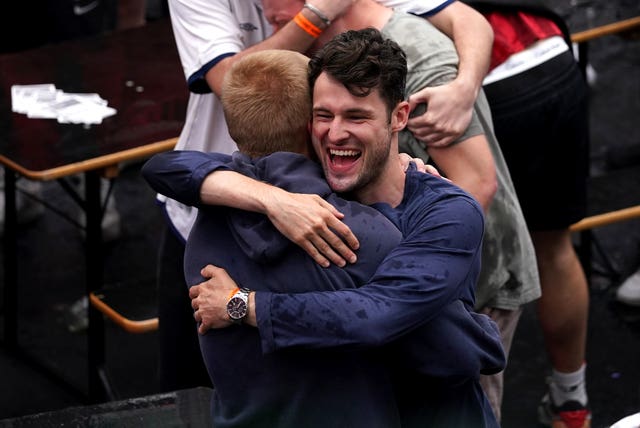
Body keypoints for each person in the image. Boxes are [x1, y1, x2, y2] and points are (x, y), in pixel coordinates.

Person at [144, 31, 505, 427]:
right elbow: (165, 167)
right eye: (323, 115)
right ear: (304, 122)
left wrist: (241, 304)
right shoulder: (293, 201)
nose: (335, 133)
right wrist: (274, 201)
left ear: (399, 116)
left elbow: (381, 317)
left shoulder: (446, 213)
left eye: (356, 116)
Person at [258, 0, 539, 421]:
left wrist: (245, 305)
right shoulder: (338, 67)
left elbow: (477, 185)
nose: (275, 24)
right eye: (324, 116)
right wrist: (264, 197)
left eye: (288, 16)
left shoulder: (417, 62)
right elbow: (176, 167)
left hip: (470, 284)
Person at [458, 2, 592, 427]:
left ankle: (474, 413)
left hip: (485, 77)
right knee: (555, 247)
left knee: (477, 257)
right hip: (552, 55)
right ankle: (572, 406)